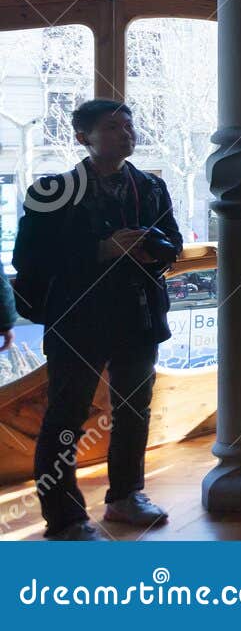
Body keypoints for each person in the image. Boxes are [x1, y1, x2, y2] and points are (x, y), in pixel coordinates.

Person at [12, 99, 183, 540]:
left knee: (134, 410)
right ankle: (65, 518)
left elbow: (175, 244)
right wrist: (102, 251)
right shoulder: (53, 191)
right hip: (77, 319)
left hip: (138, 315)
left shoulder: (150, 187)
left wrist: (152, 249)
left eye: (129, 125)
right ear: (82, 137)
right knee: (66, 416)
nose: (127, 133)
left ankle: (126, 496)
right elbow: (28, 260)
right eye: (113, 127)